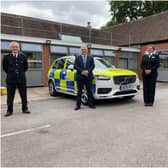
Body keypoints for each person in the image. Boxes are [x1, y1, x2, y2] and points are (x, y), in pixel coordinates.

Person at [2, 41, 30, 117]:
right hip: (11, 80)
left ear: (19, 48)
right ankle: (9, 110)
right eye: (13, 47)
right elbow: (5, 68)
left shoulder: (23, 56)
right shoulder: (6, 57)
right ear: (10, 48)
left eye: (16, 47)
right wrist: (12, 74)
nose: (15, 48)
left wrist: (20, 73)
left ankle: (25, 109)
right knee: (10, 96)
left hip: (21, 79)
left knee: (23, 95)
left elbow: (25, 67)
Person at [74, 45, 96, 110]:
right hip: (80, 77)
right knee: (79, 91)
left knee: (89, 91)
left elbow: (93, 66)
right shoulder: (77, 57)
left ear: (87, 50)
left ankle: (91, 104)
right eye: (82, 49)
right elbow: (75, 66)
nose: (84, 50)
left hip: (88, 76)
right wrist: (82, 71)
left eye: (85, 49)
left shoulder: (91, 57)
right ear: (81, 50)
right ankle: (78, 106)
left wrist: (88, 71)